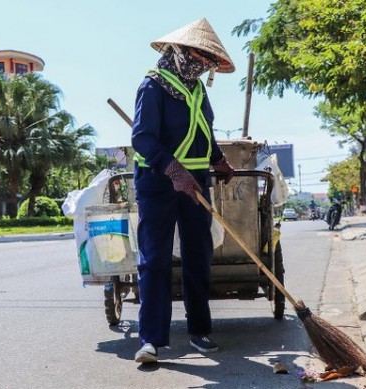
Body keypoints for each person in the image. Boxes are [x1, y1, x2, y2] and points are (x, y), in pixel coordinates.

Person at [130, 18, 235, 364]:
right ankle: (151, 340)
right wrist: (173, 169)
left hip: (196, 184)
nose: (203, 64)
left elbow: (203, 130)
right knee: (155, 259)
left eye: (208, 60)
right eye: (199, 55)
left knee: (198, 255)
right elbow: (143, 139)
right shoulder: (153, 86)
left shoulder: (197, 90)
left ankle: (199, 330)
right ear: (178, 51)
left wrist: (218, 159)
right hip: (158, 182)